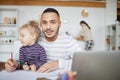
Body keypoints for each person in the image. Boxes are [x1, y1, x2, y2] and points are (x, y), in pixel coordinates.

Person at [5, 8, 82, 73]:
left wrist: (58, 63)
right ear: (41, 25)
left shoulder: (68, 41)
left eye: (53, 22)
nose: (48, 27)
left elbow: (83, 62)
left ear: (59, 24)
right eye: (44, 23)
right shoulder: (36, 37)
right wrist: (14, 64)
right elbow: (21, 58)